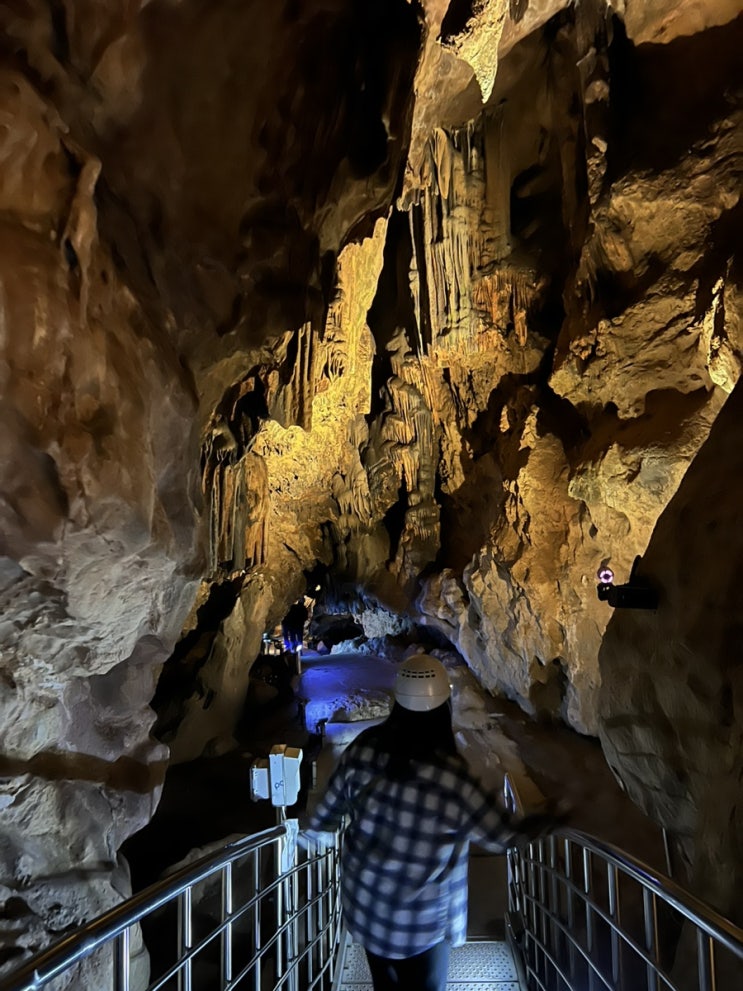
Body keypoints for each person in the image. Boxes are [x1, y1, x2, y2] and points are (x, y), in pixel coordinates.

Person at [303, 654, 562, 991]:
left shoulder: (364, 750)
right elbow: (501, 837)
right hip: (422, 926)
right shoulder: (451, 777)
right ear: (443, 706)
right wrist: (546, 820)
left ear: (398, 701)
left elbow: (327, 814)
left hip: (369, 911)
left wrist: (310, 834)